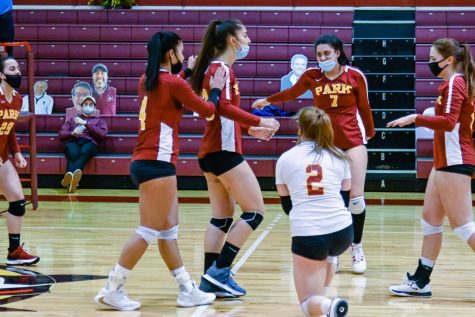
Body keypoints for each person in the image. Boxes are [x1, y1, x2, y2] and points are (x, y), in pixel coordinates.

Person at [95, 31, 228, 311]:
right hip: (157, 163)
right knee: (147, 231)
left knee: (168, 232)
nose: (183, 56)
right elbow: (207, 111)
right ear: (171, 54)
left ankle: (186, 289)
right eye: (181, 51)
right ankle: (113, 288)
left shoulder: (149, 79)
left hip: (148, 161)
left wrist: (188, 70)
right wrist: (215, 88)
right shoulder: (169, 82)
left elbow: (173, 86)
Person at [253, 34, 375, 274]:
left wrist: (369, 134)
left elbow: (364, 107)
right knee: (335, 197)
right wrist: (266, 100)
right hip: (325, 144)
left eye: (327, 54)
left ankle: (357, 246)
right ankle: (335, 253)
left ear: (338, 53)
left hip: (352, 142)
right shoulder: (312, 76)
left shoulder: (355, 76)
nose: (323, 58)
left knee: (356, 200)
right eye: (319, 55)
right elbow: (291, 93)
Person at [190, 19, 280, 297]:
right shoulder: (221, 69)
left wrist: (250, 128)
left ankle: (209, 281)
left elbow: (220, 113)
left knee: (221, 218)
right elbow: (225, 107)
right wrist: (260, 120)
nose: (249, 39)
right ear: (232, 41)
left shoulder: (214, 68)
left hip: (211, 153)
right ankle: (220, 272)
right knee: (255, 212)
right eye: (245, 34)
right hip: (224, 153)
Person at [388, 38, 475, 297]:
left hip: (455, 159)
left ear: (448, 60)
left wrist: (415, 118)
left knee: (463, 226)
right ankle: (421, 281)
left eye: (433, 58)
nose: (429, 62)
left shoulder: (455, 83)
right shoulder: (453, 84)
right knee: (430, 222)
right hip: (443, 161)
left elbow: (448, 123)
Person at [276, 107, 351, 317]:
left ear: (300, 129)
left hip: (309, 234)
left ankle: (330, 306)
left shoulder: (285, 159)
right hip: (343, 231)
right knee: (321, 281)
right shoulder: (340, 157)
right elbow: (345, 198)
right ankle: (330, 262)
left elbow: (287, 205)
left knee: (307, 303)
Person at [0, 56, 39, 265]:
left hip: (2, 156)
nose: (17, 72)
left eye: (18, 68)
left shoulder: (17, 98)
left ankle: (14, 252)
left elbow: (10, 126)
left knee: (17, 201)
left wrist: (16, 152)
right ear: (1, 74)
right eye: (12, 69)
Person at [58, 96, 107, 193]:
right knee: (72, 151)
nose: (88, 106)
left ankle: (69, 177)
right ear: (81, 106)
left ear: (94, 108)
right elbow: (61, 135)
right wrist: (71, 133)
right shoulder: (72, 120)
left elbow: (102, 134)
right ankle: (73, 183)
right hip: (74, 140)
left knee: (85, 151)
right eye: (86, 104)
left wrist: (86, 123)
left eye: (90, 104)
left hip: (90, 143)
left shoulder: (99, 121)